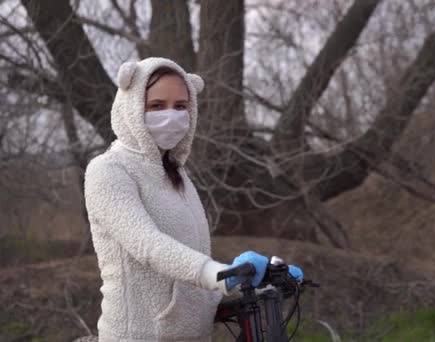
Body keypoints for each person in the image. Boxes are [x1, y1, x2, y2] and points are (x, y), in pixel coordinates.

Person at [83, 57, 303, 342]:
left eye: (181, 106)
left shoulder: (177, 175)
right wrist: (219, 273)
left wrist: (260, 281)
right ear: (131, 106)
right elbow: (148, 245)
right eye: (157, 106)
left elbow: (191, 267)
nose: (171, 115)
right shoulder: (108, 170)